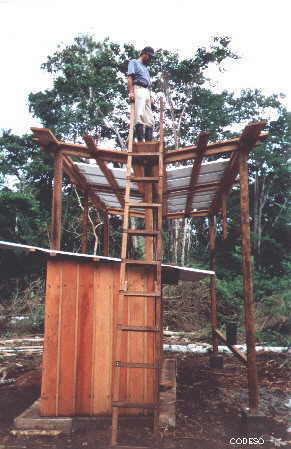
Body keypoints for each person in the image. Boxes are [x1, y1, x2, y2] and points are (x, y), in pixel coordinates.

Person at [126, 47, 155, 142]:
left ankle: (148, 143)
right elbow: (130, 77)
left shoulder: (145, 69)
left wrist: (150, 97)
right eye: (149, 56)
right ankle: (140, 141)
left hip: (146, 91)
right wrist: (131, 92)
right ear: (144, 54)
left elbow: (149, 85)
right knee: (139, 114)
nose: (150, 59)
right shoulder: (134, 62)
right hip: (138, 88)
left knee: (150, 119)